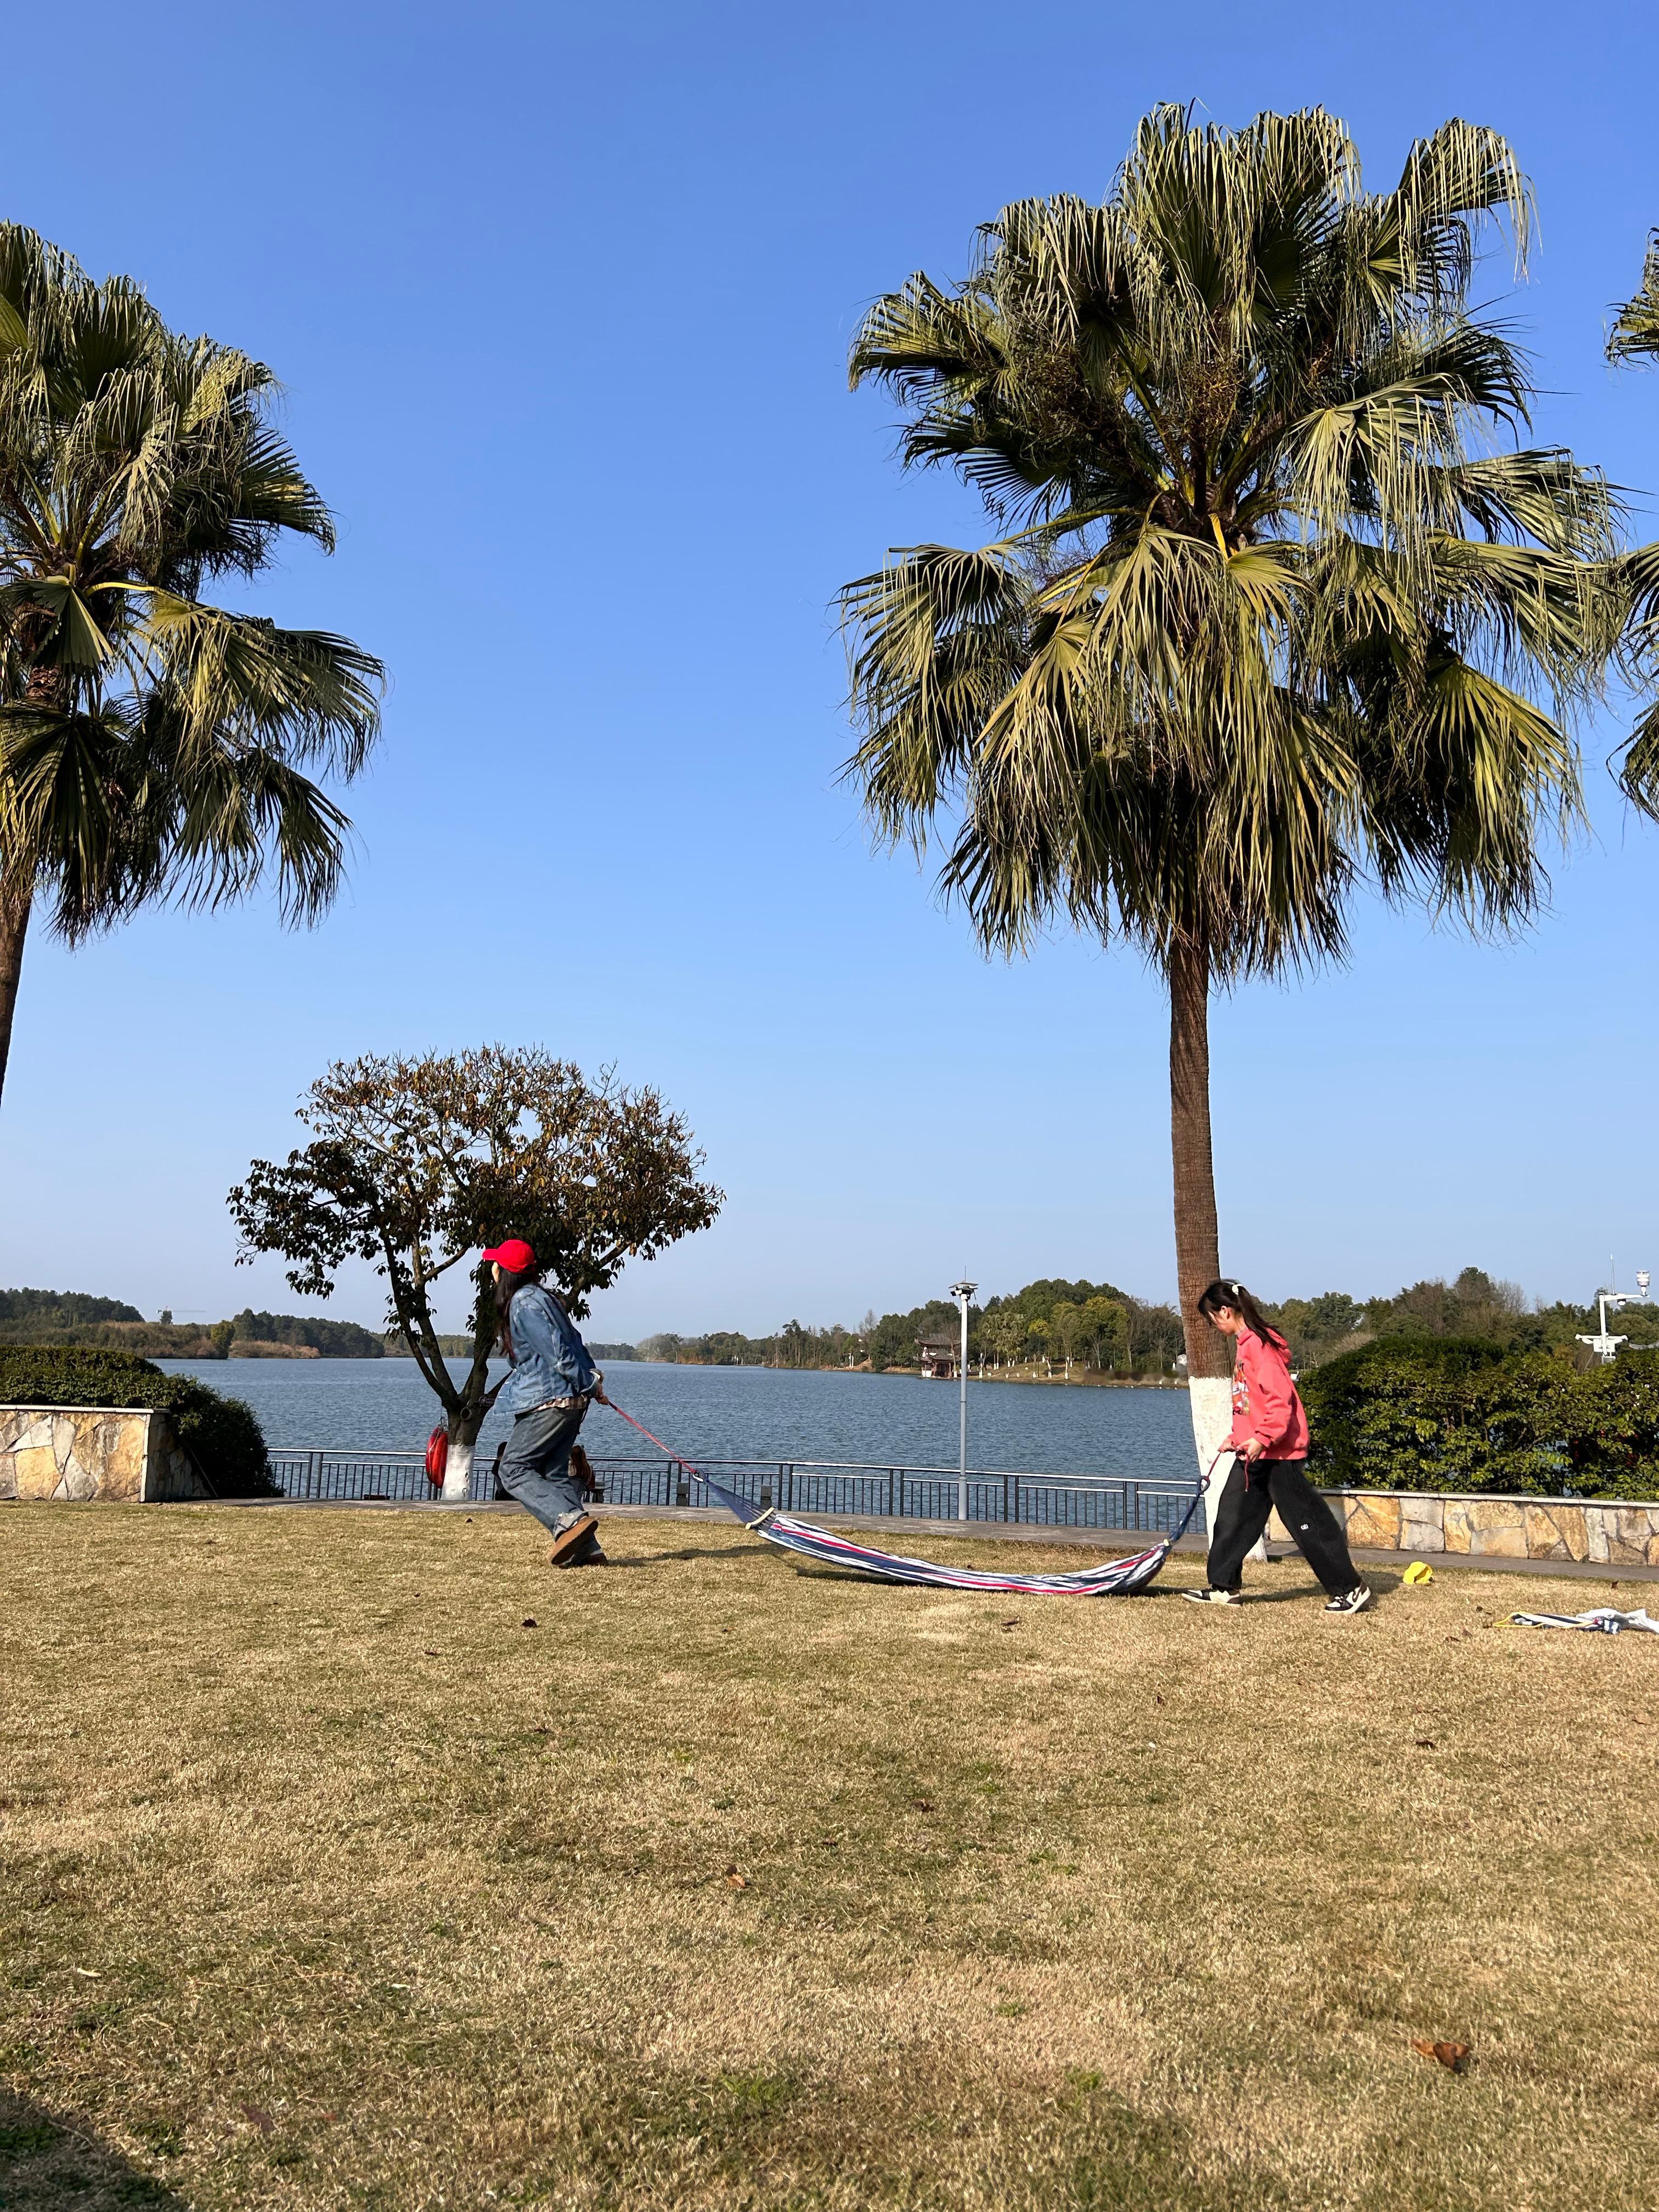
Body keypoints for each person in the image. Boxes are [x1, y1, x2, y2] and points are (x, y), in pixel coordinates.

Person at [1185, 1278, 1372, 1613]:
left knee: (1308, 1522)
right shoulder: (1245, 1346)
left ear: (1225, 1311)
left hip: (1279, 1454)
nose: (1213, 1326)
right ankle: (1224, 1588)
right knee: (1232, 1518)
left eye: (1212, 1318)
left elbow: (1280, 1400)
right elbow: (1251, 1403)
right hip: (1254, 1452)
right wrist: (1239, 1437)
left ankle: (1350, 1588)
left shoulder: (1260, 1347)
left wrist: (1263, 1437)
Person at [486, 1237, 611, 1568]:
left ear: (506, 1272)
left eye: (495, 1264)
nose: (492, 1269)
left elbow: (558, 1353)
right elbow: (575, 1342)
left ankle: (568, 1520)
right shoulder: (546, 1299)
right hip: (570, 1399)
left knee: (512, 1469)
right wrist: (592, 1383)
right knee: (554, 1473)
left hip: (549, 1399)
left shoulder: (523, 1303)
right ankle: (589, 1550)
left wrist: (588, 1383)